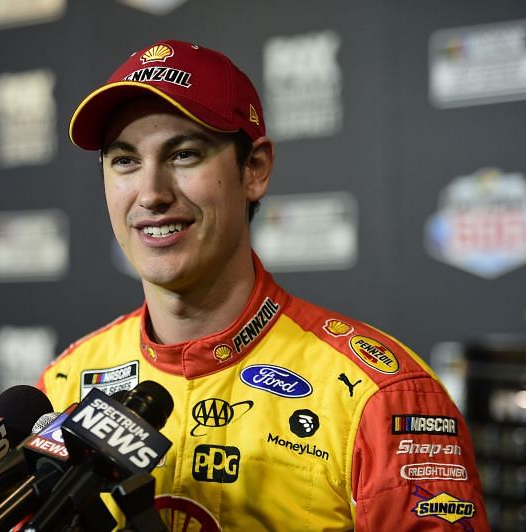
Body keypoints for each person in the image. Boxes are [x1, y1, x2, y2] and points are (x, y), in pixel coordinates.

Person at [37, 39, 488, 531]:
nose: (151, 194)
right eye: (125, 161)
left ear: (254, 169)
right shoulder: (65, 381)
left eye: (184, 154)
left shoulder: (382, 397)